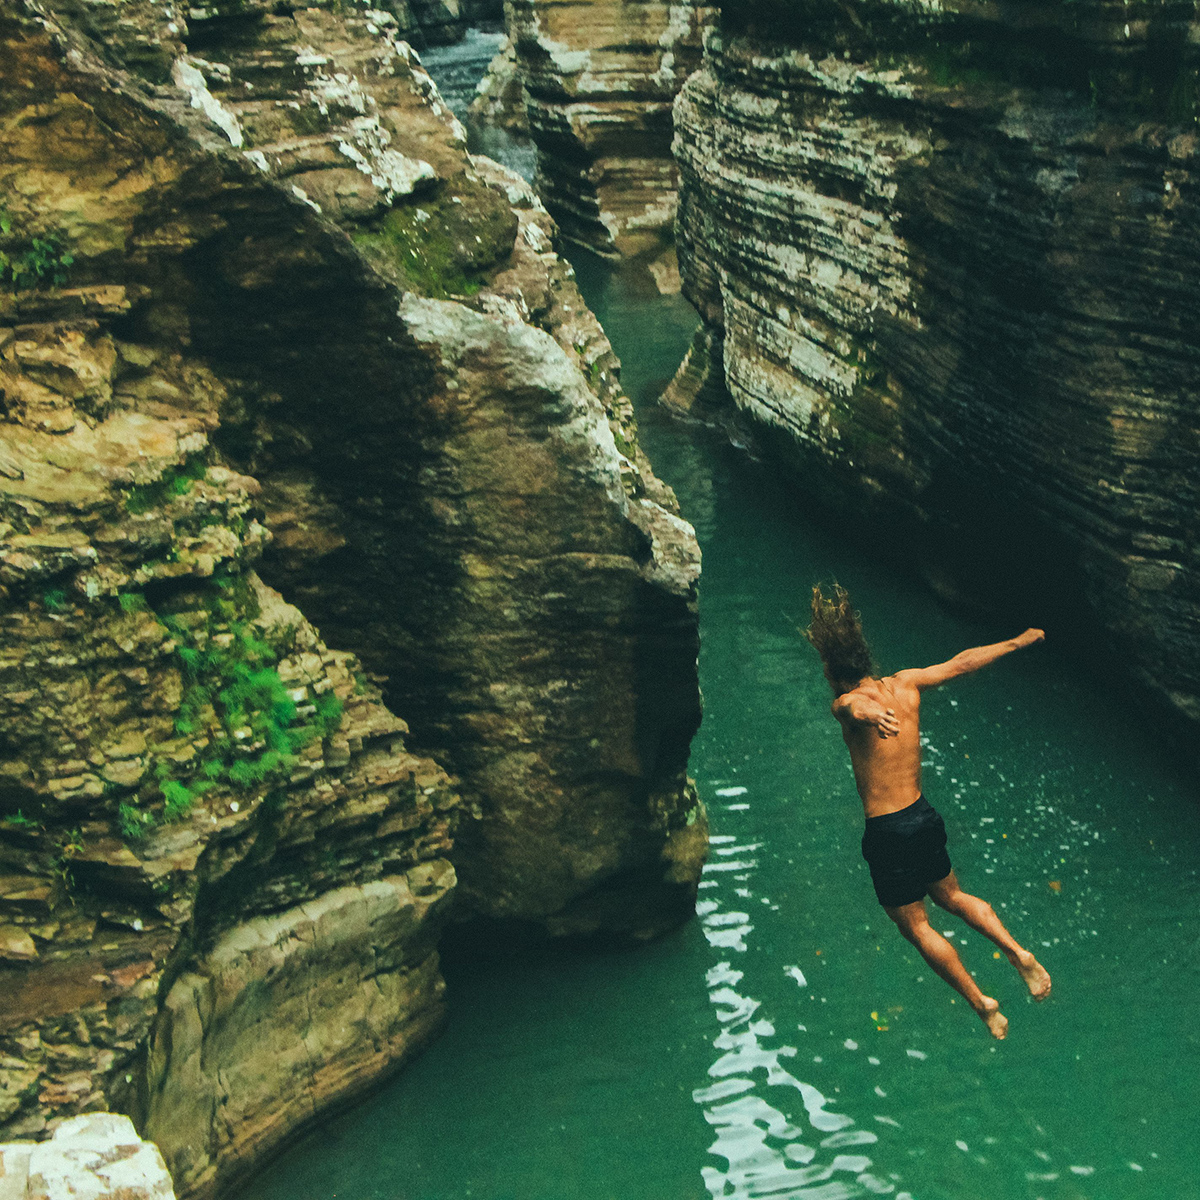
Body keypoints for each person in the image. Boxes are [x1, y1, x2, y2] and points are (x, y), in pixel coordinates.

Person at [805, 583, 1051, 1040]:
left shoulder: (844, 704)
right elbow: (961, 663)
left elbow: (850, 706)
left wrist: (867, 715)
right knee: (952, 897)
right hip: (923, 817)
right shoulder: (906, 684)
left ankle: (984, 1004)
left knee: (917, 926)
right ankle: (1019, 953)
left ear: (830, 668)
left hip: (889, 831)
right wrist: (1016, 642)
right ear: (865, 658)